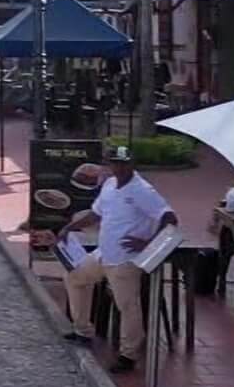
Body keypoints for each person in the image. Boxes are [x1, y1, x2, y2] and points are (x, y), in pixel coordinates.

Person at [57, 147, 178, 374]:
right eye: (115, 163)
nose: (120, 168)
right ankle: (83, 330)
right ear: (109, 164)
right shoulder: (109, 185)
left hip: (125, 260)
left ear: (132, 164)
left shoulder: (143, 190)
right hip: (104, 253)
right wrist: (69, 227)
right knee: (74, 277)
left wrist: (149, 243)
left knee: (127, 306)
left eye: (124, 163)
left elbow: (170, 218)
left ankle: (128, 354)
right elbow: (96, 214)